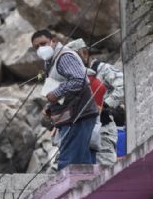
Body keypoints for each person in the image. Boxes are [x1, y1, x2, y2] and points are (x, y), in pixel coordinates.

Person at [32, 30, 99, 170]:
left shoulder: (64, 57)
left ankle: (69, 191)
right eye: (36, 47)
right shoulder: (50, 62)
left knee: (69, 163)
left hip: (79, 115)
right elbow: (58, 84)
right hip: (69, 116)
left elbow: (79, 80)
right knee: (82, 162)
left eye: (43, 44)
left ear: (53, 41)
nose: (40, 49)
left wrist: (57, 93)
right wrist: (49, 106)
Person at [67, 38, 124, 166]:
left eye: (73, 58)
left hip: (102, 128)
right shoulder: (74, 76)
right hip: (82, 130)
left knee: (105, 168)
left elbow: (123, 84)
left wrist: (106, 104)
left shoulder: (103, 69)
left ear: (84, 53)